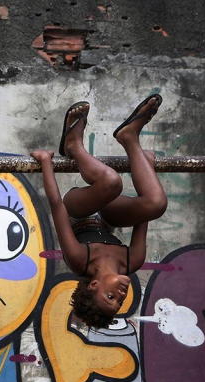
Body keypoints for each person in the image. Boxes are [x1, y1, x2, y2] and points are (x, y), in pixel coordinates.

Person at [31, 94, 167, 328]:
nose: (122, 296)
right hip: (107, 216)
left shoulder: (79, 261)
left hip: (77, 209)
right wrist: (147, 166)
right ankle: (130, 138)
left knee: (112, 182)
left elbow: (57, 207)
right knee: (156, 205)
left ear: (93, 286)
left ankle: (73, 146)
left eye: (111, 297)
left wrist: (46, 162)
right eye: (119, 302)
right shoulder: (131, 261)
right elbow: (143, 213)